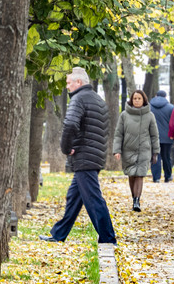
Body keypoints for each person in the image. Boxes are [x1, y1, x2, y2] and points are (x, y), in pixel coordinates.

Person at [40, 67, 117, 244]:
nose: (67, 86)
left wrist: (67, 148)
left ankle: (108, 237)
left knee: (93, 198)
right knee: (74, 197)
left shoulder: (78, 99)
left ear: (79, 83)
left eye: (69, 83)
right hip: (94, 155)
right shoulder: (98, 100)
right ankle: (59, 234)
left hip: (84, 156)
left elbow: (70, 125)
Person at [113, 90, 160, 212]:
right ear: (131, 100)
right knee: (131, 175)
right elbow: (118, 134)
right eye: (135, 98)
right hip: (128, 149)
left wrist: (155, 152)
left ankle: (137, 201)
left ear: (144, 100)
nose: (137, 101)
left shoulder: (150, 116)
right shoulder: (124, 115)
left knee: (140, 174)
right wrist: (116, 150)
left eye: (139, 98)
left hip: (144, 150)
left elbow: (154, 135)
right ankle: (134, 197)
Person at [150, 90, 174, 183]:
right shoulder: (171, 107)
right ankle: (168, 176)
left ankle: (156, 177)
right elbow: (172, 123)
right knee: (166, 156)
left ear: (156, 95)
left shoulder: (149, 107)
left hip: (153, 136)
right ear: (165, 96)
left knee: (155, 156)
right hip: (167, 137)